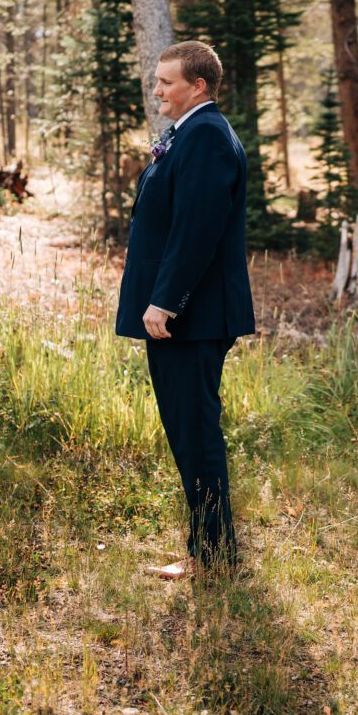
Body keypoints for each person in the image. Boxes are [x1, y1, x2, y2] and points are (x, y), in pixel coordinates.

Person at [116, 41, 254, 580]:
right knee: (189, 430)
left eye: (165, 82)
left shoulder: (206, 138)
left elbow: (196, 230)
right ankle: (208, 549)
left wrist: (165, 301)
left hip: (190, 317)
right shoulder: (190, 133)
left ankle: (213, 556)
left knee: (195, 433)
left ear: (197, 85)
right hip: (187, 315)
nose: (157, 91)